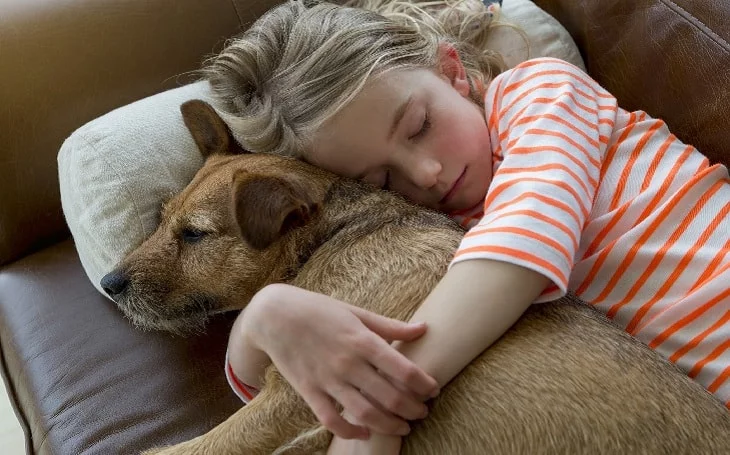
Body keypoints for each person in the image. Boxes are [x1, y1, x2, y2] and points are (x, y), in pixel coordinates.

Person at [207, 0, 730, 453]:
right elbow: (311, 378)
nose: (426, 174)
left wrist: (375, 420)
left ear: (452, 71)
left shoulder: (539, 92)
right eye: (382, 179)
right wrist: (264, 319)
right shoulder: (427, 234)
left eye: (420, 126)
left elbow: (523, 241)